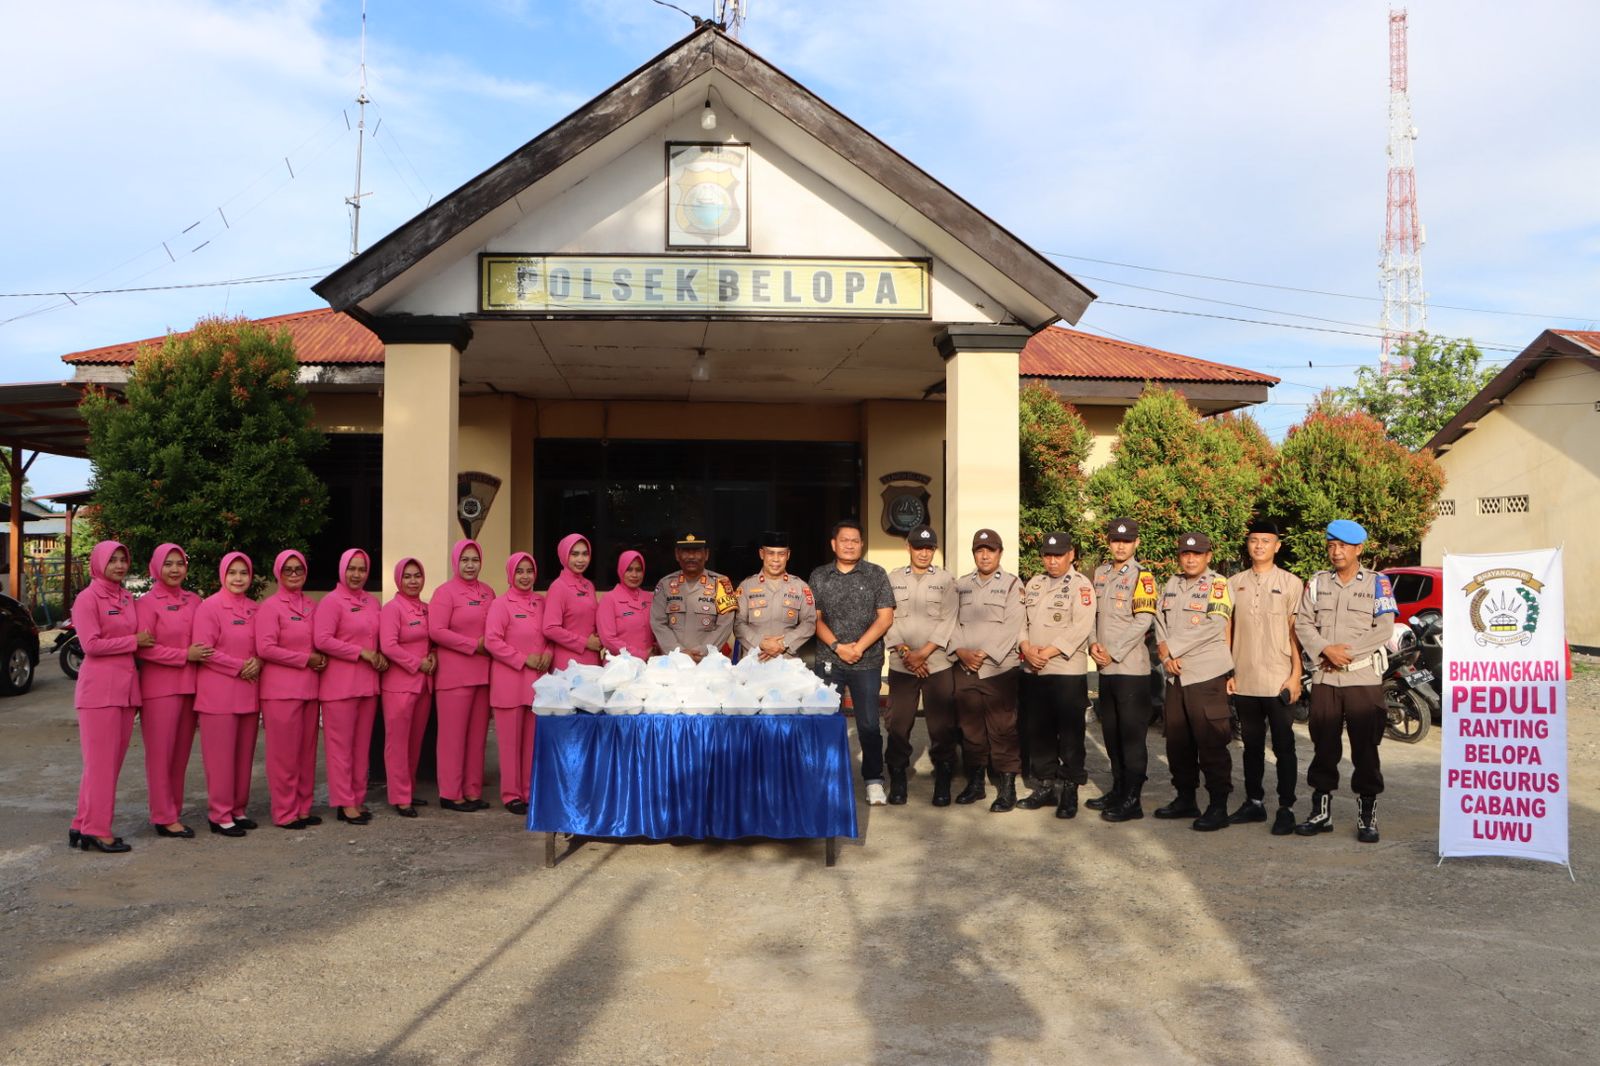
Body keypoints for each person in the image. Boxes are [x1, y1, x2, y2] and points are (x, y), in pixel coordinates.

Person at [1293, 519, 1397, 843]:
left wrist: (1345, 653)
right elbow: (1303, 623)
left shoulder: (1378, 583)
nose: (1336, 552)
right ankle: (1320, 812)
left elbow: (1384, 628)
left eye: (1343, 546)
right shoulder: (1317, 582)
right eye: (1331, 545)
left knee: (1366, 750)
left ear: (1359, 549)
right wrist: (1325, 649)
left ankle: (1367, 816)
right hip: (1325, 679)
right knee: (1324, 747)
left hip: (1362, 678)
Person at [69, 540, 149, 853]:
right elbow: (91, 645)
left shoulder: (127, 598)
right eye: (112, 560)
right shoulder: (87, 598)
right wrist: (132, 641)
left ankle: (81, 823)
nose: (118, 565)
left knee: (107, 765)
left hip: (126, 690)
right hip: (99, 692)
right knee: (100, 765)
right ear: (98, 562)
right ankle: (98, 830)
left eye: (122, 559)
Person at [809, 519, 897, 806]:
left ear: (862, 544)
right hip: (829, 659)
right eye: (843, 540)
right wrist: (837, 646)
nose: (849, 545)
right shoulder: (819, 576)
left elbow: (885, 618)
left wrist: (857, 648)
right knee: (826, 721)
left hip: (867, 660)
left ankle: (874, 779)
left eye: (855, 540)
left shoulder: (875, 574)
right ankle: (826, 777)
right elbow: (815, 619)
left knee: (870, 724)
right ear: (833, 544)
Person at [1226, 519, 1305, 835]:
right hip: (1245, 678)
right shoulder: (1234, 583)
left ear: (1277, 545)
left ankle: (1286, 807)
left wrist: (1296, 675)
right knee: (1251, 746)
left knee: (1284, 745)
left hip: (1279, 679)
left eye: (1265, 541)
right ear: (1248, 545)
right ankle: (1254, 802)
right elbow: (1226, 629)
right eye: (1254, 540)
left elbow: (1295, 632)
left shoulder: (1291, 583)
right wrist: (1229, 671)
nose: (1259, 546)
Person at [1153, 533, 1236, 832]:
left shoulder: (1218, 586)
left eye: (1197, 554)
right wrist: (1164, 653)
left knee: (1212, 742)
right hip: (1176, 676)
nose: (1190, 559)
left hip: (1206, 675)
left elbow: (1215, 625)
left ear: (1208, 556)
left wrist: (1172, 647)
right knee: (1178, 742)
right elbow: (1158, 621)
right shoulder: (1172, 584)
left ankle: (1218, 806)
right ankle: (1185, 798)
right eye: (1185, 553)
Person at [1016, 532, 1097, 818]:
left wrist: (1046, 652)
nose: (1052, 560)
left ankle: (1070, 788)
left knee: (1070, 734)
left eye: (1058, 555)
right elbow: (1021, 621)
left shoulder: (1081, 586)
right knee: (1039, 731)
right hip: (1034, 669)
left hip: (1065, 671)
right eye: (1047, 555)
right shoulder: (1034, 583)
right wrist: (1026, 647)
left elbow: (1081, 627)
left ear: (1071, 555)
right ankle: (1046, 785)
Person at [948, 528, 1026, 812]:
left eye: (990, 550)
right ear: (974, 553)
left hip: (998, 670)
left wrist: (983, 654)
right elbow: (950, 621)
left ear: (999, 553)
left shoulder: (1011, 584)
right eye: (979, 550)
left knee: (1003, 728)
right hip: (965, 668)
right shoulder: (961, 585)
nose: (984, 555)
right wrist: (960, 651)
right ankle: (976, 783)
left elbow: (1013, 624)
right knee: (970, 729)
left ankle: (1007, 788)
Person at [1087, 518, 1159, 822]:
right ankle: (1118, 789)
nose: (1120, 545)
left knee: (1132, 737)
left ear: (1136, 543)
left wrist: (1113, 652)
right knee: (1111, 734)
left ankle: (1133, 799)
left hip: (1130, 669)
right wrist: (1092, 645)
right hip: (1105, 669)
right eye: (1116, 540)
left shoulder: (1144, 577)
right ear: (1108, 541)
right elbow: (1091, 614)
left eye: (1127, 541)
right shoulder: (1100, 573)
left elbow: (1144, 621)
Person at [135, 542, 206, 839]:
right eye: (168, 564)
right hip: (160, 689)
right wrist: (182, 656)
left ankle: (172, 809)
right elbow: (144, 650)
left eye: (180, 563)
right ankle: (163, 816)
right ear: (156, 567)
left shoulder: (195, 601)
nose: (175, 569)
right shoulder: (147, 603)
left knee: (180, 754)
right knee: (161, 754)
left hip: (190, 687)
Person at [884, 525, 959, 806]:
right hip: (902, 664)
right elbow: (885, 618)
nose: (924, 552)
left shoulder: (946, 580)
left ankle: (943, 777)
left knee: (941, 725)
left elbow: (948, 620)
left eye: (929, 548)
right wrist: (906, 652)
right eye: (919, 547)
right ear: (908, 548)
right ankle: (898, 777)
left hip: (937, 664)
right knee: (898, 723)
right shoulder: (892, 579)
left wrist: (923, 654)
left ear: (935, 550)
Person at [255, 549, 328, 829]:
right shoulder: (270, 607)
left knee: (306, 754)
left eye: (299, 569)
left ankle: (303, 807)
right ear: (278, 573)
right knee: (283, 755)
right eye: (288, 570)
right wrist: (305, 659)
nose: (294, 574)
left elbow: (321, 640)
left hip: (310, 688)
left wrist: (321, 658)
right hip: (281, 691)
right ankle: (285, 812)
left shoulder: (312, 605)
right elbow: (266, 648)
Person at [315, 548, 386, 825]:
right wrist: (361, 652)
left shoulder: (371, 602)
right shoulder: (332, 602)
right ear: (342, 570)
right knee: (340, 748)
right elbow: (322, 640)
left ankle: (356, 797)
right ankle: (344, 802)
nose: (356, 574)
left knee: (361, 747)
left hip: (367, 685)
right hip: (340, 685)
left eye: (361, 569)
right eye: (351, 569)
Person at [193, 552, 262, 837]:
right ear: (223, 575)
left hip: (248, 692)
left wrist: (259, 661)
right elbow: (203, 650)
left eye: (243, 573)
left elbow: (265, 643)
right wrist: (240, 667)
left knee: (244, 755)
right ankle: (219, 814)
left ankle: (238, 809)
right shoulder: (209, 607)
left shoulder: (256, 608)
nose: (238, 578)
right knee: (220, 757)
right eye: (232, 572)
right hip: (218, 694)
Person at [429, 539, 495, 812]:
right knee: (452, 737)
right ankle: (450, 793)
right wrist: (472, 645)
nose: (470, 565)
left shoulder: (488, 592)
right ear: (455, 562)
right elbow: (437, 630)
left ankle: (472, 790)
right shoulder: (445, 593)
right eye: (465, 560)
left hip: (482, 674)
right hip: (454, 674)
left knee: (477, 737)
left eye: (475, 560)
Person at [485, 552, 551, 815]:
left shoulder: (541, 602)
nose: (525, 577)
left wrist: (547, 654)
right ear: (511, 575)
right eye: (520, 571)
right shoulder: (501, 605)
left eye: (529, 571)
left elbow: (549, 634)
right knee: (510, 743)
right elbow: (492, 641)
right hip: (510, 681)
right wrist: (524, 659)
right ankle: (511, 794)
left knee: (532, 742)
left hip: (536, 682)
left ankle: (529, 790)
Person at [380, 557, 437, 818]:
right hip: (400, 684)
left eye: (417, 576)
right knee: (398, 742)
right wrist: (418, 664)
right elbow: (389, 646)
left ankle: (409, 788)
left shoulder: (426, 608)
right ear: (398, 580)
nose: (413, 581)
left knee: (415, 741)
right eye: (408, 576)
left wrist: (433, 655)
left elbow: (432, 639)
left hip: (423, 685)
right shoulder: (393, 609)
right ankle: (400, 796)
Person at [650, 532, 737, 662]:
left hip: (709, 661)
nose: (691, 556)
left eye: (696, 551)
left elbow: (725, 625)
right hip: (674, 661)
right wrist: (678, 653)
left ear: (706, 554)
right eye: (686, 551)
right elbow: (658, 623)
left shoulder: (722, 584)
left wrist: (703, 651)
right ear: (677, 555)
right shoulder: (665, 584)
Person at [733, 531, 816, 662]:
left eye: (781, 554)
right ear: (762, 554)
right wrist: (760, 643)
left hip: (787, 662)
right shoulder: (746, 586)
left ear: (788, 555)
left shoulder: (801, 587)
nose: (776, 559)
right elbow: (738, 623)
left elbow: (809, 622)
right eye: (770, 553)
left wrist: (784, 643)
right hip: (754, 662)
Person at [543, 533, 602, 671]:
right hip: (569, 664)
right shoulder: (558, 587)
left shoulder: (589, 585)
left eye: (585, 554)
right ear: (564, 555)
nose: (581, 559)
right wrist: (585, 642)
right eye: (574, 554)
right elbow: (550, 628)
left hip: (592, 659)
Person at [597, 550, 655, 660]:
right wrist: (641, 655)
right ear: (621, 570)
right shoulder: (609, 599)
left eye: (638, 570)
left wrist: (656, 648)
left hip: (649, 665)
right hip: (619, 666)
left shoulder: (650, 599)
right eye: (629, 570)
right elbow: (608, 639)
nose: (634, 575)